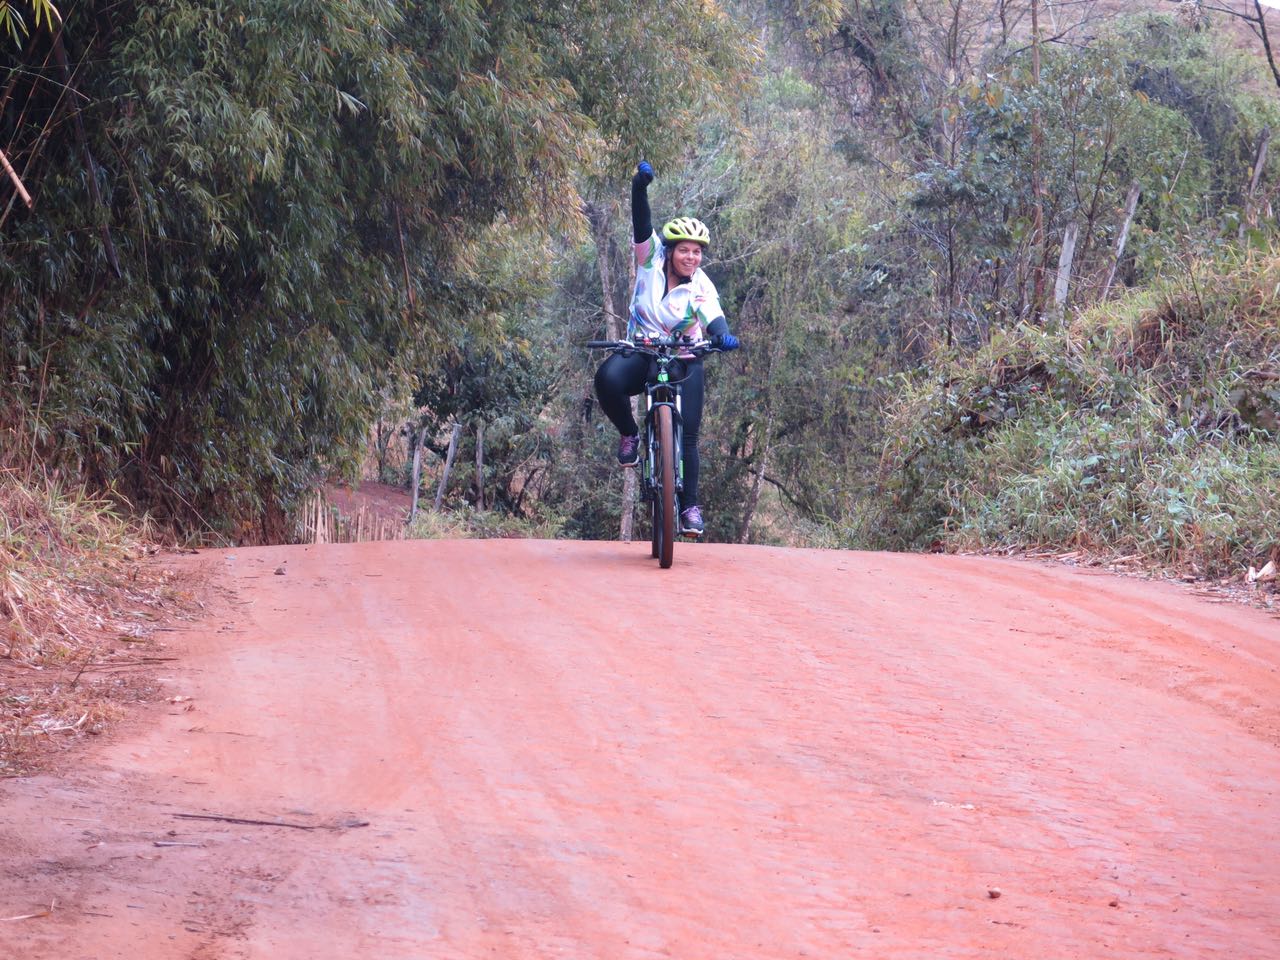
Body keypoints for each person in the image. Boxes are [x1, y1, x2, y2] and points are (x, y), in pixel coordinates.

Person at [593, 161, 740, 537]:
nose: (691, 257)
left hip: (683, 359)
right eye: (685, 250)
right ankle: (630, 434)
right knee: (607, 380)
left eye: (697, 252)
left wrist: (722, 336)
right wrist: (639, 186)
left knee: (688, 434)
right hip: (641, 353)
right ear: (671, 250)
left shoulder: (701, 286)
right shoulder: (649, 260)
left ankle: (689, 506)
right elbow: (641, 222)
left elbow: (714, 319)